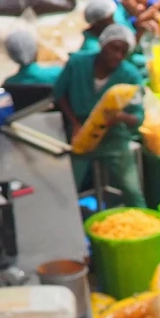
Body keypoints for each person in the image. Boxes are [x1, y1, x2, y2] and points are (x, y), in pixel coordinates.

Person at [53, 25, 146, 208]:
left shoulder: (130, 77)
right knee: (66, 190)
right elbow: (59, 93)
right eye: (114, 48)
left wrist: (120, 117)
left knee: (133, 192)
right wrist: (74, 123)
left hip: (113, 137)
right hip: (80, 133)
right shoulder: (77, 63)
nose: (118, 55)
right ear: (102, 44)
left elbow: (138, 117)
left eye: (123, 52)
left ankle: (141, 220)